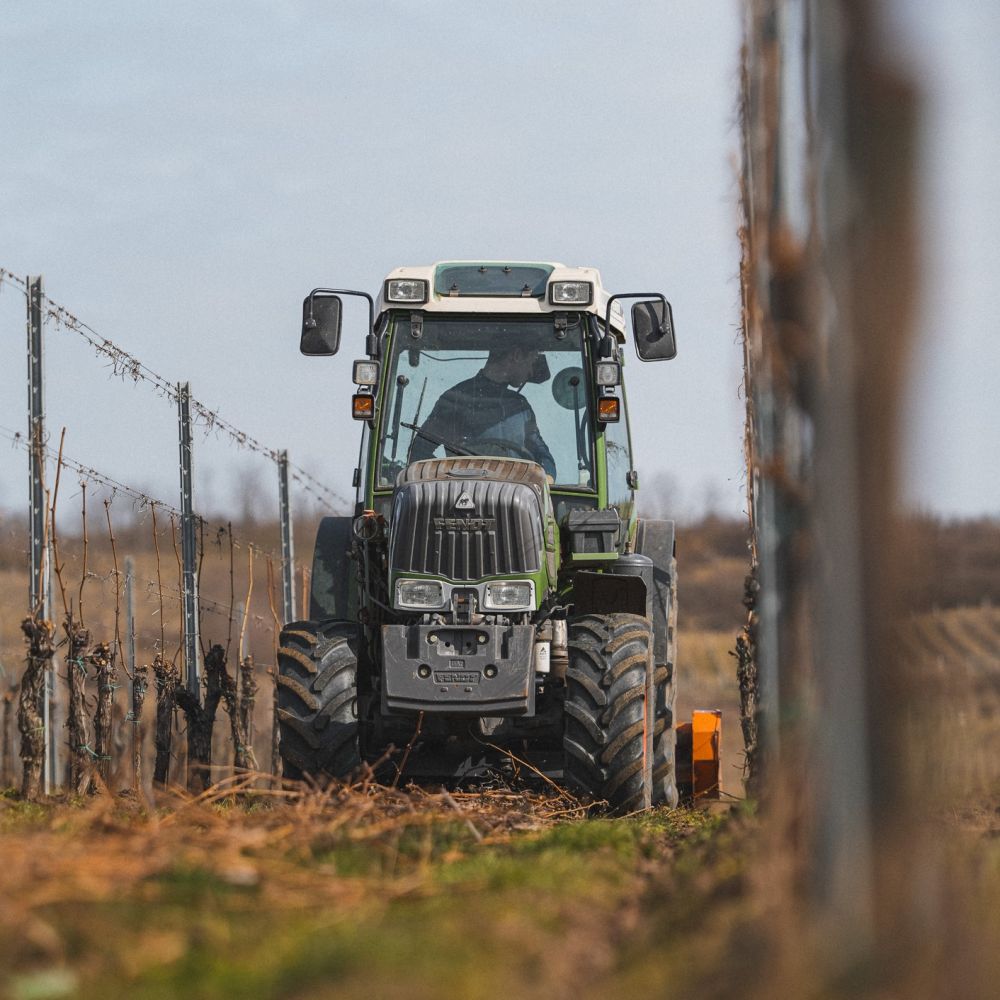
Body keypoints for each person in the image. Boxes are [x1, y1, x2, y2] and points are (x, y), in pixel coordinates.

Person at [409, 344, 556, 478]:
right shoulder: (456, 400)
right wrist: (448, 480)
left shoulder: (520, 407)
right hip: (461, 496)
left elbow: (542, 454)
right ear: (516, 355)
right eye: (531, 361)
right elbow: (420, 452)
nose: (531, 371)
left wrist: (547, 477)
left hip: (517, 499)